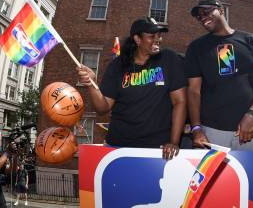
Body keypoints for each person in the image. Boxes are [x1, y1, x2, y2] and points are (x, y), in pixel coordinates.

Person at [78, 17, 187, 160]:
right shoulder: (118, 65)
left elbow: (180, 102)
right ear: (137, 39)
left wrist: (173, 142)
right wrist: (92, 84)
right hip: (119, 147)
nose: (158, 39)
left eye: (159, 35)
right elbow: (103, 108)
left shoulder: (169, 59)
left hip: (157, 148)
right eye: (152, 36)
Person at [185, 0, 253, 150]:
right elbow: (193, 91)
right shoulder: (196, 48)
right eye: (199, 16)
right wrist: (196, 129)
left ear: (221, 10)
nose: (203, 17)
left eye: (206, 11)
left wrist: (252, 115)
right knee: (214, 175)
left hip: (252, 129)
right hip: (212, 131)